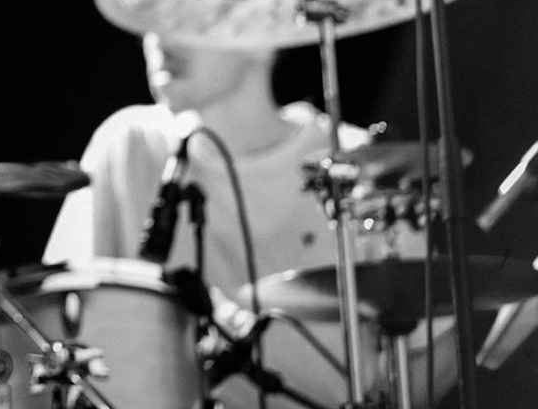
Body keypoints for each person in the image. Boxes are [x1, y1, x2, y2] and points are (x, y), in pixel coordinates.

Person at [42, 31, 459, 408]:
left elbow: (414, 378)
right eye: (149, 11)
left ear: (264, 28)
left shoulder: (364, 167)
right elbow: (53, 337)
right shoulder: (127, 144)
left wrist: (508, 320)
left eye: (190, 10)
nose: (163, 35)